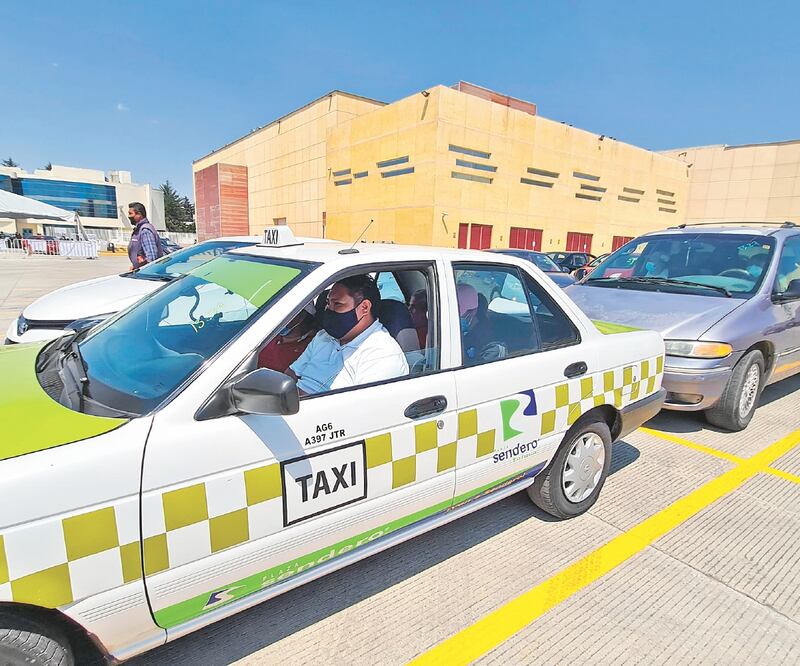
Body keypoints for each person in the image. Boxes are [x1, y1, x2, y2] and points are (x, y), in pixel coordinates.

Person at [287, 275, 408, 395]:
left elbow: (363, 405)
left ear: (364, 307)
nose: (329, 310)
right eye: (328, 303)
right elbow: (291, 374)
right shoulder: (323, 337)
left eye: (337, 304)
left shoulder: (381, 354)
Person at [257, 302, 317, 373]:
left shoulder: (311, 346)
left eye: (288, 313)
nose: (281, 317)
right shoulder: (268, 335)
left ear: (302, 317)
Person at [457, 283, 492, 365]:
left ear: (473, 312)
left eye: (460, 314)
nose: (458, 318)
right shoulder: (465, 332)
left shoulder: (481, 338)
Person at [127, 202, 163, 268]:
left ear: (139, 214)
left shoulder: (145, 231)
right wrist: (135, 265)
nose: (129, 216)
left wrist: (142, 265)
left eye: (130, 213)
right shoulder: (139, 230)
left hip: (149, 272)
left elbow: (152, 258)